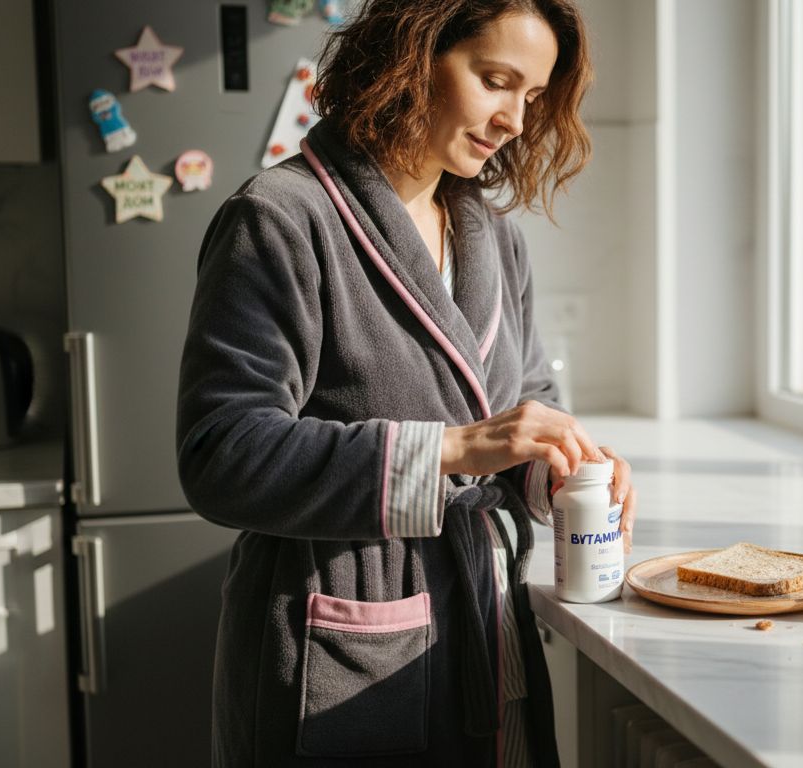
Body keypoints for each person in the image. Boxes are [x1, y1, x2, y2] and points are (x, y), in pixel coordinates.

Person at [175, 1, 636, 765]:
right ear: (413, 53)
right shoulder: (281, 219)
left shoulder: (493, 235)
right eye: (496, 81)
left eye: (532, 97)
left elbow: (522, 402)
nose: (517, 120)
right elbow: (220, 455)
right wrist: (454, 449)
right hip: (340, 636)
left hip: (487, 631)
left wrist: (562, 471)